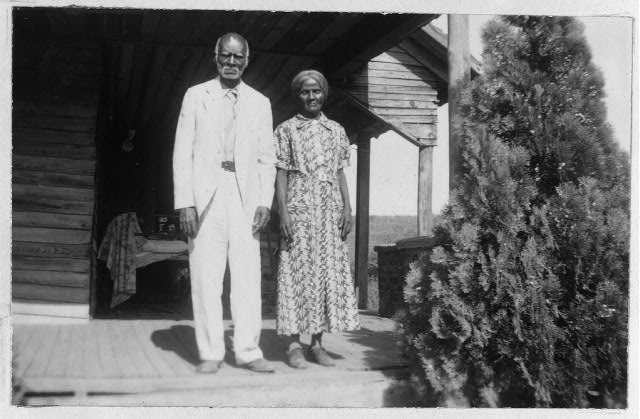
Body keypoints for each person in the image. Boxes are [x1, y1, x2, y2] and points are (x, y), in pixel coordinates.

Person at [173, 32, 277, 374]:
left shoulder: (260, 103)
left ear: (247, 61)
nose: (231, 62)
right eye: (225, 56)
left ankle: (247, 350)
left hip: (245, 195)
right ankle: (211, 352)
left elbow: (266, 159)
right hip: (207, 194)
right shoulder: (196, 95)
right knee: (206, 276)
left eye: (238, 57)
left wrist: (264, 201)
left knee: (247, 276)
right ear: (215, 57)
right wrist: (185, 203)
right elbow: (182, 153)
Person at [274, 69, 360, 369]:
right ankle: (294, 345)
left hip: (329, 212)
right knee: (297, 274)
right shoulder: (286, 129)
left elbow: (340, 172)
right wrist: (283, 211)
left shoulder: (335, 130)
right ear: (297, 95)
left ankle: (317, 344)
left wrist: (347, 208)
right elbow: (281, 173)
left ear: (324, 94)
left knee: (324, 275)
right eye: (305, 92)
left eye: (316, 91)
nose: (311, 97)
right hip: (298, 209)